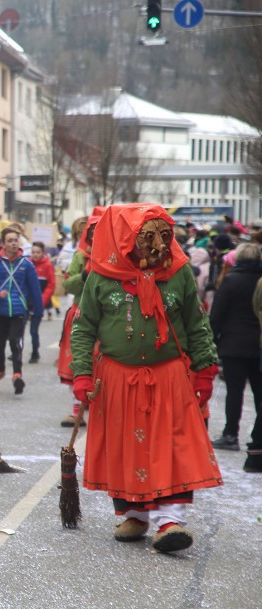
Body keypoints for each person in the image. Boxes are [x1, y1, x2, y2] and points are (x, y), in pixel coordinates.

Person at [70, 204, 221, 553]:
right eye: (147, 239)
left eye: (164, 238)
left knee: (172, 443)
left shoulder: (179, 272)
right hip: (117, 377)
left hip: (169, 375)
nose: (157, 247)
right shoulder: (101, 275)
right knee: (124, 443)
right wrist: (82, 373)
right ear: (126, 241)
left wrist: (205, 370)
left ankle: (170, 520)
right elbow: (83, 329)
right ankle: (133, 513)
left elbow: (197, 324)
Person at [208, 242, 262, 466]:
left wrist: (213, 339)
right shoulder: (259, 280)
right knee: (260, 394)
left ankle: (231, 434)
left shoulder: (231, 280)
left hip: (233, 344)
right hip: (258, 345)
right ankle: (258, 438)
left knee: (234, 392)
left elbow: (217, 314)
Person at [57, 211, 104, 427]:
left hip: (105, 315)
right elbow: (67, 284)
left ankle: (101, 407)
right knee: (77, 359)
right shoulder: (79, 256)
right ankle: (77, 407)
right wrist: (84, 275)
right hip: (80, 312)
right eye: (91, 232)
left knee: (102, 362)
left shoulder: (115, 255)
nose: (95, 236)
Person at [0, 227, 43, 395]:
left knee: (15, 341)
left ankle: (17, 375)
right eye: (9, 240)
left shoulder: (26, 264)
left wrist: (38, 312)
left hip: (19, 311)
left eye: (15, 240)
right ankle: (0, 370)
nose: (13, 243)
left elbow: (35, 289)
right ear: (3, 244)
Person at [28, 240, 56, 362]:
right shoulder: (28, 263)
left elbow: (51, 285)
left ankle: (35, 353)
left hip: (38, 304)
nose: (35, 254)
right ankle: (16, 351)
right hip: (26, 303)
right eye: (33, 252)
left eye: (38, 252)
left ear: (43, 253)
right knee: (17, 331)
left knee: (33, 330)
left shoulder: (47, 265)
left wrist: (42, 300)